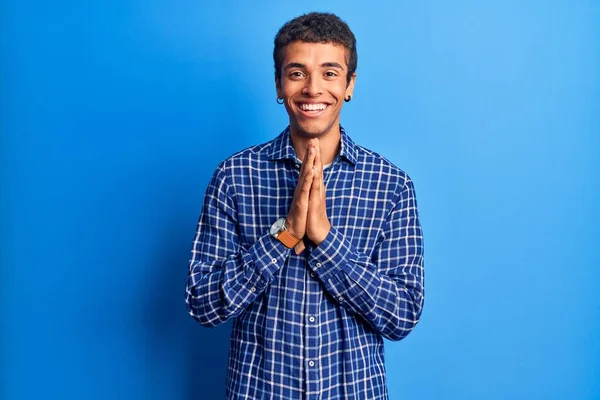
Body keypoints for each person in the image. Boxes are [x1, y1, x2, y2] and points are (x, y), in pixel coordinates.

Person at [185, 12, 424, 400]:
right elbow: (203, 304)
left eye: (330, 73)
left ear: (350, 85)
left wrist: (326, 240)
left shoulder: (391, 186)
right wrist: (284, 235)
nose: (313, 89)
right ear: (279, 84)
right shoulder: (234, 176)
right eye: (297, 73)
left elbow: (402, 315)